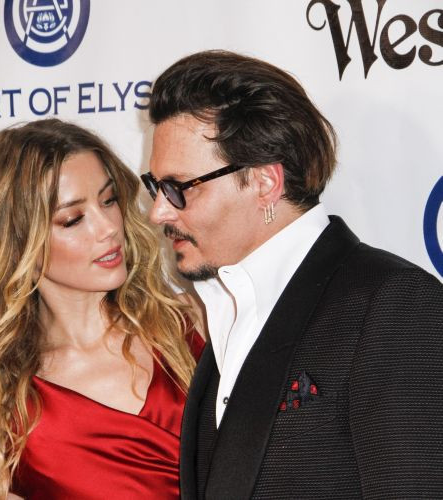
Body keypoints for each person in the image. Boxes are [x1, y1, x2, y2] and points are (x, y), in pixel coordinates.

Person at [142, 50, 443, 499]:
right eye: (155, 187)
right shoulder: (226, 311)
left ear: (265, 182)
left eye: (178, 188)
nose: (158, 212)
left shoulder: (395, 305)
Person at [0, 118, 204, 499]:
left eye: (109, 200)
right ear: (19, 246)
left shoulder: (191, 323)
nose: (108, 227)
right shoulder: (6, 406)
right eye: (73, 219)